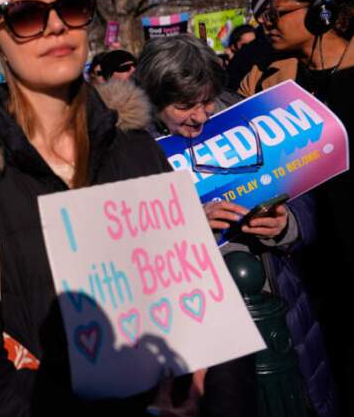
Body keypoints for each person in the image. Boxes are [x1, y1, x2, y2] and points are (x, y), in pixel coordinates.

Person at [0, 0, 182, 414]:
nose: (56, 25)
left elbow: (200, 298)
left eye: (73, 6)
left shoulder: (136, 144)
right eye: (26, 16)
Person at [134, 34, 336, 417]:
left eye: (207, 99)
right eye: (183, 106)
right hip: (198, 322)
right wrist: (189, 223)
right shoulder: (128, 147)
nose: (200, 115)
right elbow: (126, 242)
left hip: (281, 304)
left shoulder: (247, 117)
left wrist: (285, 224)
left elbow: (304, 197)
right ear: (154, 98)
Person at [239, 0, 354, 414]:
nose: (267, 23)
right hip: (319, 265)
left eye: (278, 13)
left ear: (321, 13)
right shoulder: (272, 82)